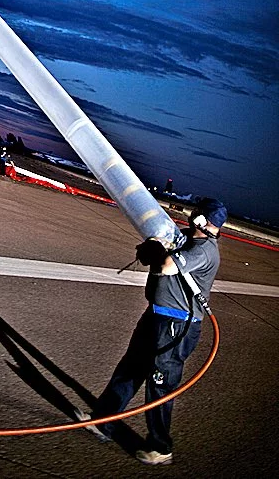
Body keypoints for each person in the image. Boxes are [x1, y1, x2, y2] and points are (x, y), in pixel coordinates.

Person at [75, 197, 227, 466]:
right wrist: (152, 247)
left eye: (197, 214)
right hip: (157, 317)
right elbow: (164, 248)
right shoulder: (185, 238)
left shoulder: (204, 250)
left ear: (202, 219)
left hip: (176, 326)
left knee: (159, 385)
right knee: (130, 368)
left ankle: (161, 446)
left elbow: (167, 266)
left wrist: (156, 254)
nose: (192, 216)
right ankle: (103, 422)